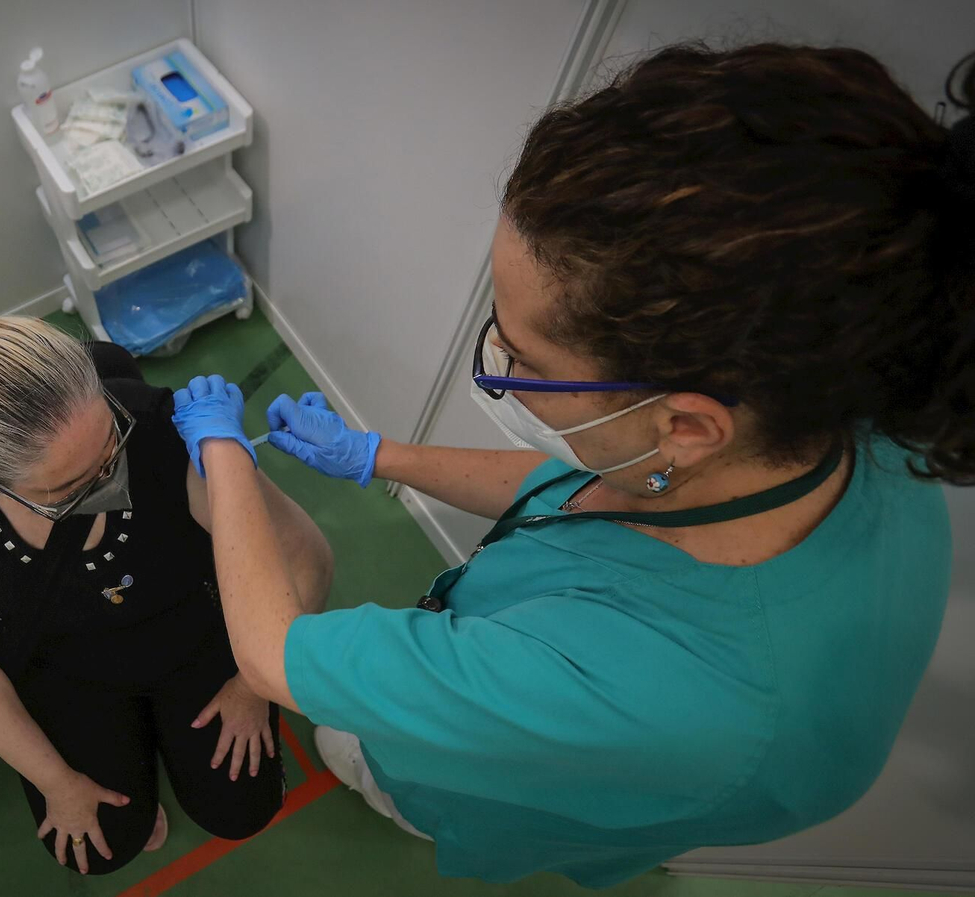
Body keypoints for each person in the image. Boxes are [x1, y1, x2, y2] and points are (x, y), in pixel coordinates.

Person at [168, 43, 974, 887]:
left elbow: (271, 653)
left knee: (358, 751)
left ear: (687, 423)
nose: (502, 371)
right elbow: (576, 495)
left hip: (454, 782)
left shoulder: (667, 688)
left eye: (524, 360)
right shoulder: (828, 427)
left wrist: (223, 451)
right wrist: (378, 455)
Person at [0, 316, 332, 875]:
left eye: (111, 445)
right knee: (102, 848)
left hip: (190, 634)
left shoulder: (154, 422)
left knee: (243, 812)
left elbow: (305, 560)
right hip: (61, 667)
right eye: (72, 489)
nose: (112, 478)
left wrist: (253, 684)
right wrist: (57, 782)